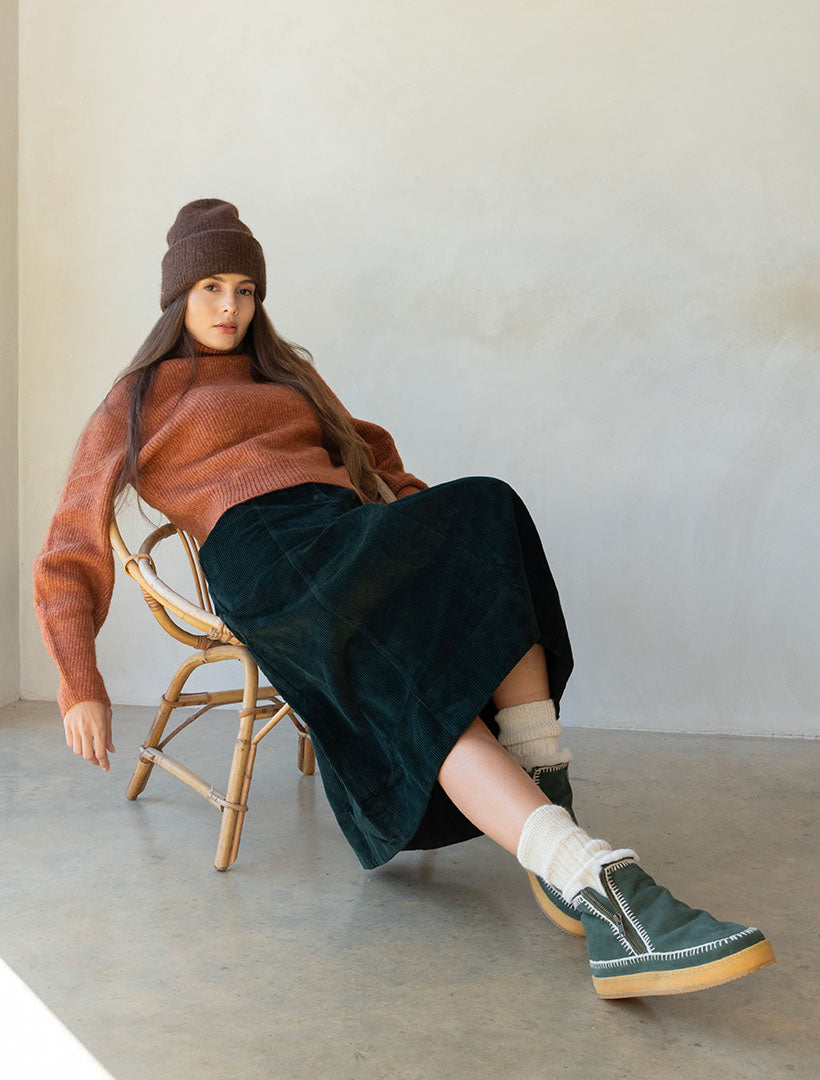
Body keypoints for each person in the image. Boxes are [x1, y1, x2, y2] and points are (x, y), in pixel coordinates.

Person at [32, 198, 775, 1000]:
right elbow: (70, 543)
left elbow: (369, 450)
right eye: (211, 287)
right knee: (414, 687)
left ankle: (547, 795)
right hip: (266, 562)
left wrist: (425, 535)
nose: (229, 307)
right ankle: (599, 888)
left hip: (343, 531)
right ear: (177, 295)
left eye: (245, 290)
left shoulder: (285, 372)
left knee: (486, 511)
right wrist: (81, 680)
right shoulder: (138, 397)